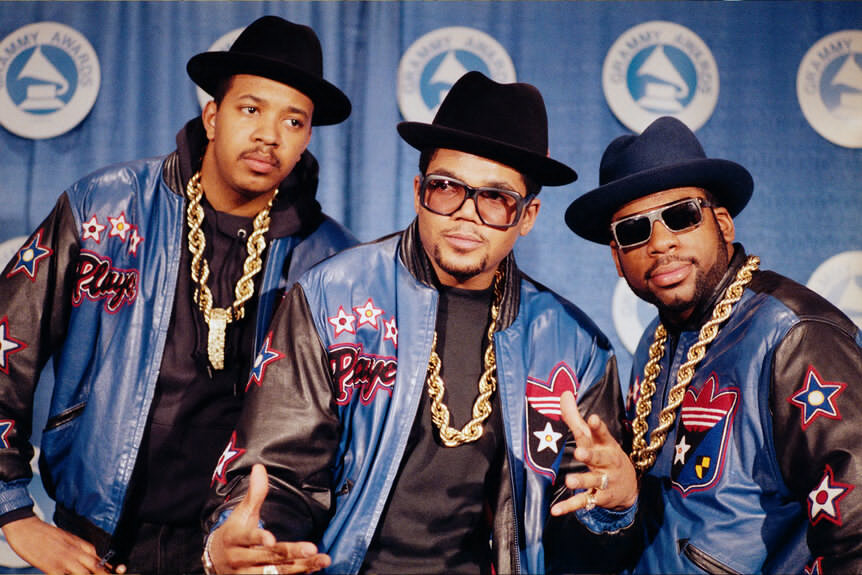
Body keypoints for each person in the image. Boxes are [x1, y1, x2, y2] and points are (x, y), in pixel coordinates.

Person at [201, 71, 639, 575]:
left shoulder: (575, 346)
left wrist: (616, 508)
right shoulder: (331, 295)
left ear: (529, 215)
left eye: (497, 199)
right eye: (447, 188)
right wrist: (246, 542)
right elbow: (274, 474)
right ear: (418, 191)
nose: (467, 215)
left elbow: (581, 550)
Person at [0, 15, 358, 574]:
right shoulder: (105, 208)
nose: (270, 134)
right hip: (98, 543)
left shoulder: (333, 262)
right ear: (212, 116)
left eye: (294, 120)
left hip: (242, 552)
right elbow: (6, 346)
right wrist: (12, 511)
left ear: (308, 137)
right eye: (251, 109)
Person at [565, 115, 862, 574]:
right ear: (617, 258)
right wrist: (620, 500)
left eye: (681, 215)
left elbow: (856, 533)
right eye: (633, 231)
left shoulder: (794, 334)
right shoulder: (656, 341)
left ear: (722, 223)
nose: (661, 242)